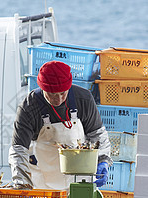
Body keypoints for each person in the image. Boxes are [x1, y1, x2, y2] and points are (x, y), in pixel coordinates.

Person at [9, 60, 112, 190]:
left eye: (63, 93)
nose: (58, 99)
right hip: (43, 185)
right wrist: (21, 184)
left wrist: (103, 160)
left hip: (80, 182)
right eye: (52, 94)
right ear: (43, 88)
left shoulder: (84, 98)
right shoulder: (29, 107)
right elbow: (19, 150)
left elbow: (97, 135)